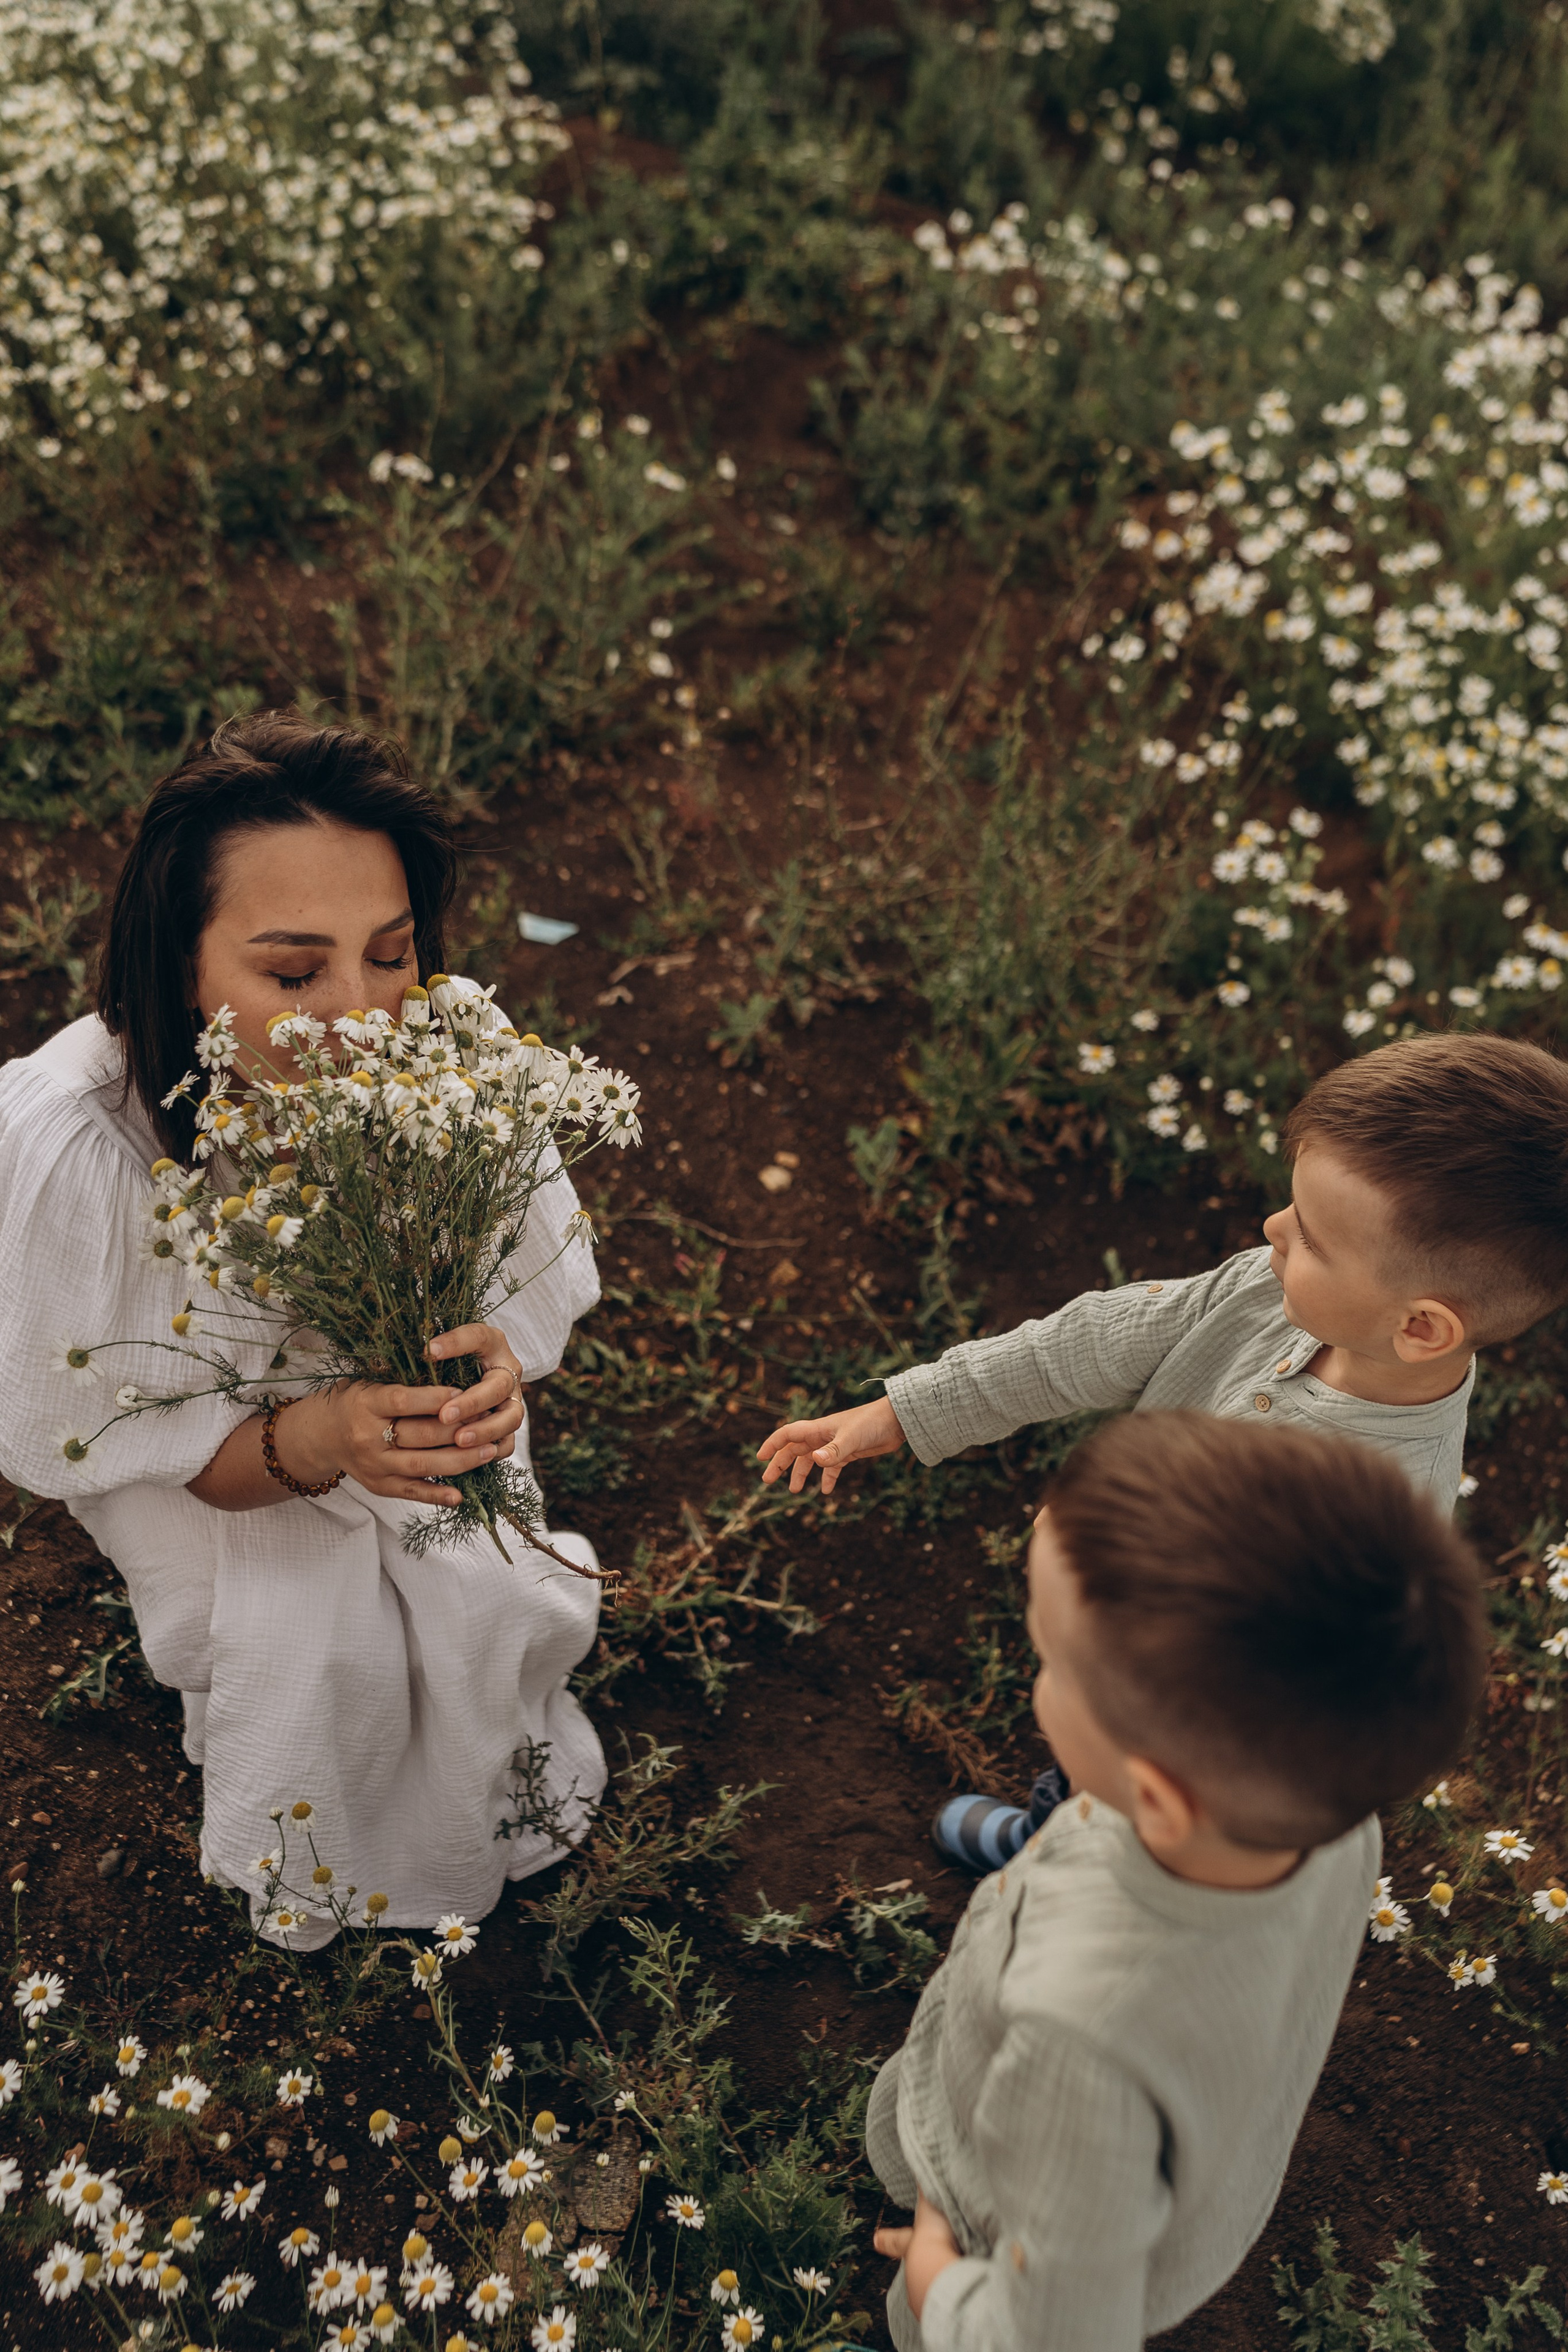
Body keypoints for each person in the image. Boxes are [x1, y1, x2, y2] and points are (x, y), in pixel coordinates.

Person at [0, 711, 606, 1945]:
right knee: (326, 1670)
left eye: (389, 954)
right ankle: (330, 1856)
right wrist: (320, 1439)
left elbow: (489, 1295)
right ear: (182, 966)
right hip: (205, 1457)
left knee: (490, 1604)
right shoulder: (89, 1143)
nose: (361, 1012)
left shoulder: (442, 1073)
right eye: (292, 974)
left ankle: (487, 1785)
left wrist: (484, 1363)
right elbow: (146, 1442)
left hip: (379, 1407)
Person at [758, 1030, 1567, 1866]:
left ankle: (1058, 1862)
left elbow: (1235, 1665)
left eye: (1315, 1240)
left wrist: (1085, 1561)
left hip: (1189, 1738)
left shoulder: (1363, 1511)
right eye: (1292, 1209)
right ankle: (1054, 1829)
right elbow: (1093, 1342)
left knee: (1112, 1813)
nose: (1273, 1229)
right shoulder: (1270, 1290)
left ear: (1421, 1326)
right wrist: (909, 1410)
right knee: (1081, 1775)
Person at [865, 1411, 1485, 2352]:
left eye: (1048, 1662)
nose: (1037, 1677)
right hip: (1165, 2172)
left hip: (1000, 2245)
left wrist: (942, 2281)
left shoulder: (1082, 2041)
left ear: (1154, 1797)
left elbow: (1061, 2334)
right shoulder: (1329, 1825)